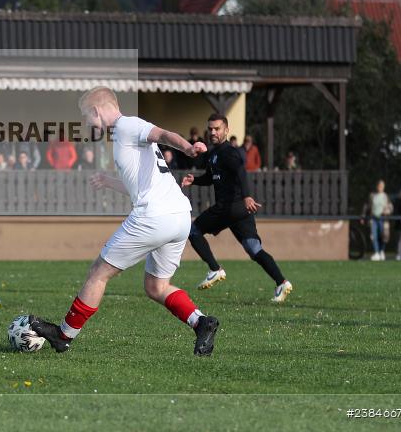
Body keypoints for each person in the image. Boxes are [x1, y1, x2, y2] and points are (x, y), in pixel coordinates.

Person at [30, 87, 219, 357]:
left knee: (99, 273)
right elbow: (139, 184)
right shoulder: (125, 135)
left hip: (153, 216)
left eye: (87, 117)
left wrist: (188, 148)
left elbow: (164, 134)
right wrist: (109, 182)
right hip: (178, 216)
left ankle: (63, 335)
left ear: (96, 110)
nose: (87, 123)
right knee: (157, 287)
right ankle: (201, 322)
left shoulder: (127, 125)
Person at [183, 114, 293, 302]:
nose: (213, 132)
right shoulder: (213, 154)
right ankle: (282, 282)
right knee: (253, 248)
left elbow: (241, 171)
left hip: (230, 206)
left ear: (226, 130)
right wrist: (195, 180)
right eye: (210, 129)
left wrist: (247, 196)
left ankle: (215, 269)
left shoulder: (228, 152)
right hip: (239, 210)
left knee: (193, 230)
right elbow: (211, 178)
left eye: (217, 129)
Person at [361, 180, 392, 262]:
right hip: (373, 218)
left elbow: (390, 207)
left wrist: (387, 211)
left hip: (383, 218)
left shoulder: (386, 196)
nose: (380, 187)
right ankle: (376, 252)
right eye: (379, 186)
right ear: (377, 186)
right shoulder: (372, 195)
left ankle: (382, 251)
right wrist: (363, 216)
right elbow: (367, 206)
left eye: (382, 186)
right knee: (373, 236)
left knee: (384, 236)